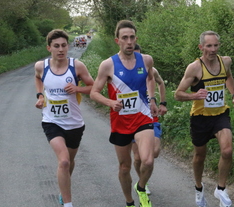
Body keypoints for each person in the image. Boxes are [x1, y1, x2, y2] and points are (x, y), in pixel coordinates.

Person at [90, 20, 158, 207]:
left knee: (148, 160)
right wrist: (110, 102)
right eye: (125, 38)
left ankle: (141, 188)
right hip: (120, 121)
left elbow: (151, 78)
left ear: (136, 39)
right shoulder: (108, 65)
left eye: (132, 37)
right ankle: (129, 202)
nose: (129, 42)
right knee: (124, 166)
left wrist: (152, 99)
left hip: (142, 116)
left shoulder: (146, 60)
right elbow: (94, 92)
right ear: (117, 40)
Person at [174, 31, 234, 207]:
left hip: (220, 114)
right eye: (209, 46)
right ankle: (198, 188)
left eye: (216, 45)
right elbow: (178, 94)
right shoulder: (194, 68)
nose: (213, 49)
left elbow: (228, 77)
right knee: (199, 156)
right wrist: (194, 96)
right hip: (200, 117)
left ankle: (220, 188)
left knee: (227, 151)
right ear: (201, 47)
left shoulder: (225, 61)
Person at [34, 29, 94, 207]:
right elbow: (38, 78)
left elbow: (93, 87)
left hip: (75, 123)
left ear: (68, 46)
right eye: (56, 46)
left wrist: (78, 89)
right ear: (49, 48)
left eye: (64, 45)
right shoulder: (41, 66)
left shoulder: (77, 66)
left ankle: (63, 188)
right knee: (64, 160)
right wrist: (40, 96)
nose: (61, 49)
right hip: (51, 121)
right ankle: (68, 203)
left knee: (70, 161)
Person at [131, 44, 168, 195]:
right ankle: (142, 184)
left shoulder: (150, 69)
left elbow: (160, 82)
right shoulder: (122, 73)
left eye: (138, 56)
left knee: (155, 151)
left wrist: (162, 103)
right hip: (133, 118)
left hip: (151, 116)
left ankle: (142, 182)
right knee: (138, 157)